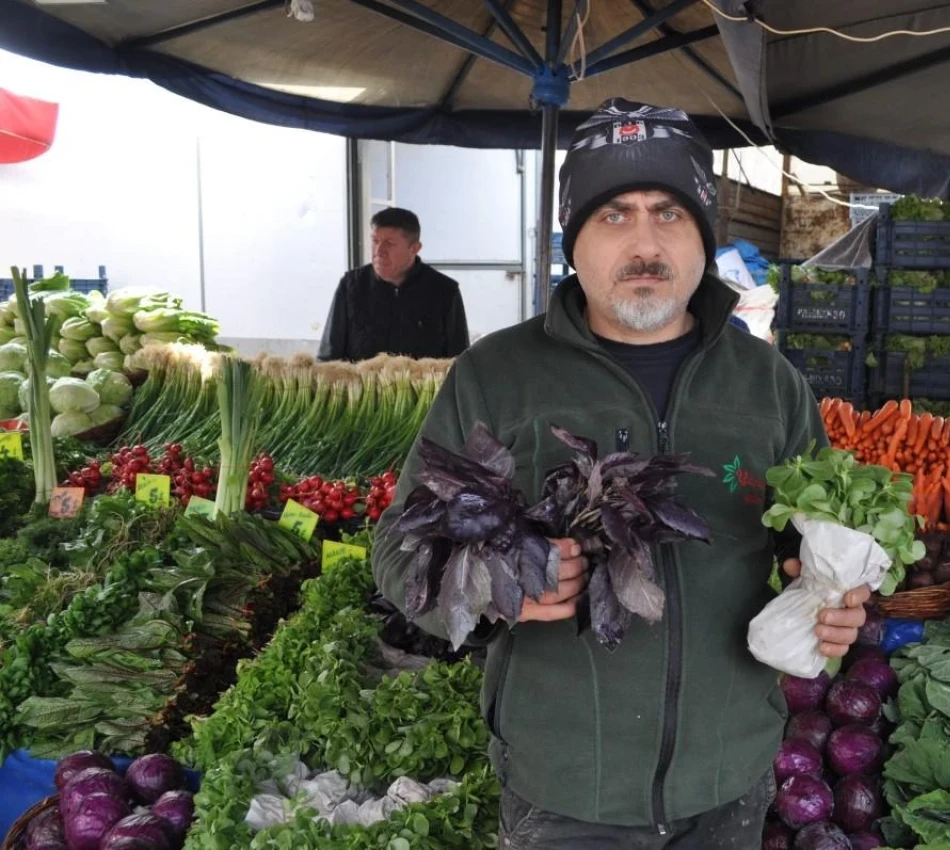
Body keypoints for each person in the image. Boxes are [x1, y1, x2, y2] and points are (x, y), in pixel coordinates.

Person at [371, 98, 870, 848]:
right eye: (614, 215)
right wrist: (495, 582)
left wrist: (834, 601)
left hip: (727, 778)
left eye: (669, 212)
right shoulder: (497, 376)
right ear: (575, 239)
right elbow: (398, 555)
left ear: (704, 234)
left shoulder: (769, 384)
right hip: (565, 784)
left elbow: (815, 551)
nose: (644, 243)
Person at [317, 207, 470, 362]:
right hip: (359, 385)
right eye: (375, 241)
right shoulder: (351, 286)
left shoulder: (444, 291)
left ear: (415, 248)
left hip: (426, 386)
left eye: (389, 243)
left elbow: (460, 362)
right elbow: (328, 358)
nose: (379, 251)